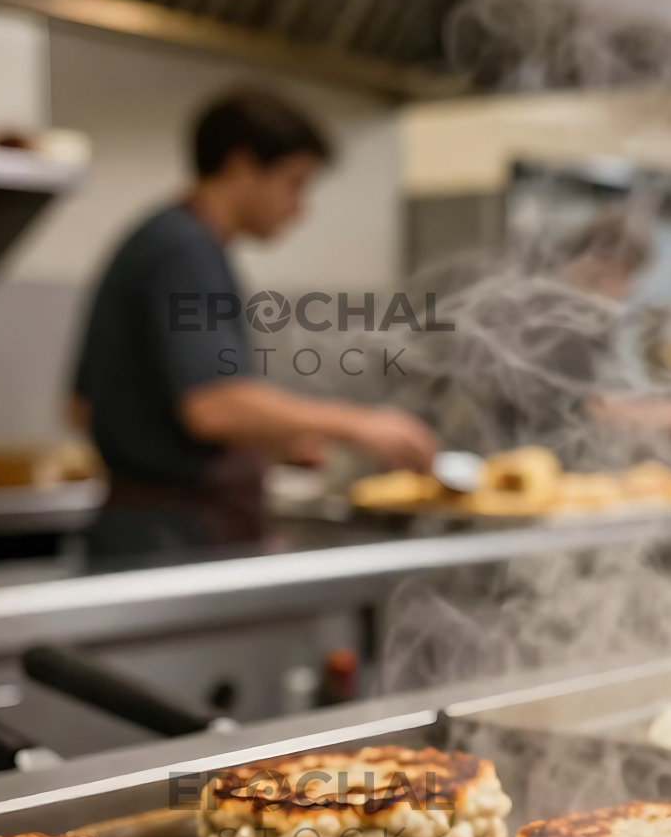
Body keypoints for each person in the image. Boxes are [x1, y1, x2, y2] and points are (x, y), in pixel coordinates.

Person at [74, 89, 437, 560]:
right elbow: (213, 406)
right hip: (172, 540)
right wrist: (363, 424)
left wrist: (270, 438)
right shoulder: (187, 252)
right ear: (242, 166)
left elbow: (80, 407)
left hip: (140, 531)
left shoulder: (157, 239)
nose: (299, 207)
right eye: (294, 183)